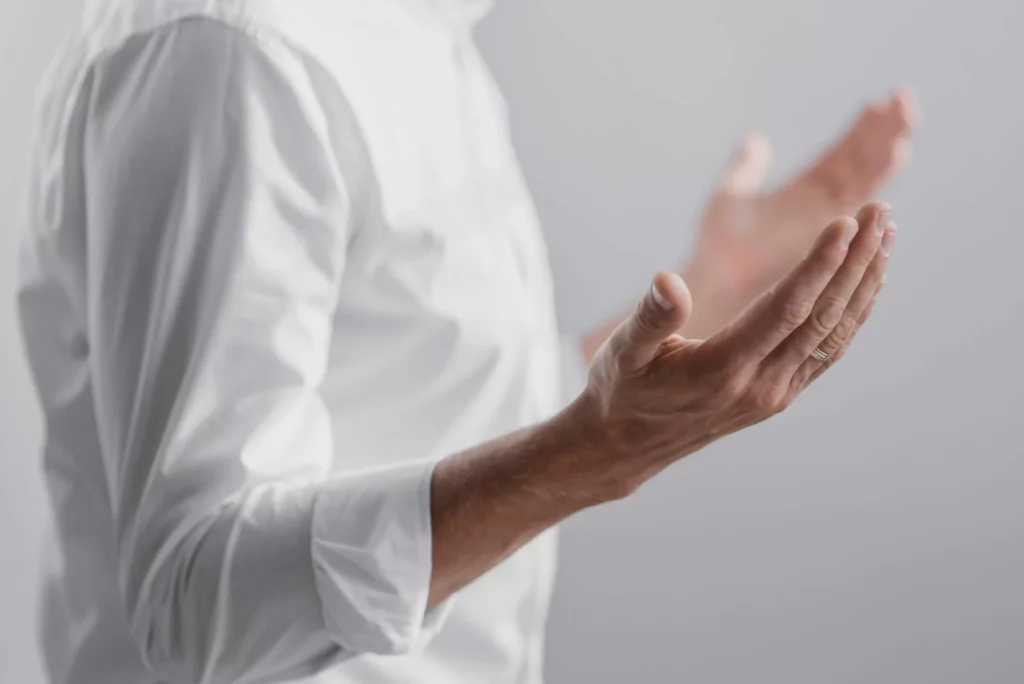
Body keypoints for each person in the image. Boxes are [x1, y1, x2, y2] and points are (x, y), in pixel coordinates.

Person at [16, 1, 914, 683]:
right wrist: (587, 457)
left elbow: (427, 409)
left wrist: (709, 285)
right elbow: (189, 607)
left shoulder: (423, 38)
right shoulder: (234, 56)